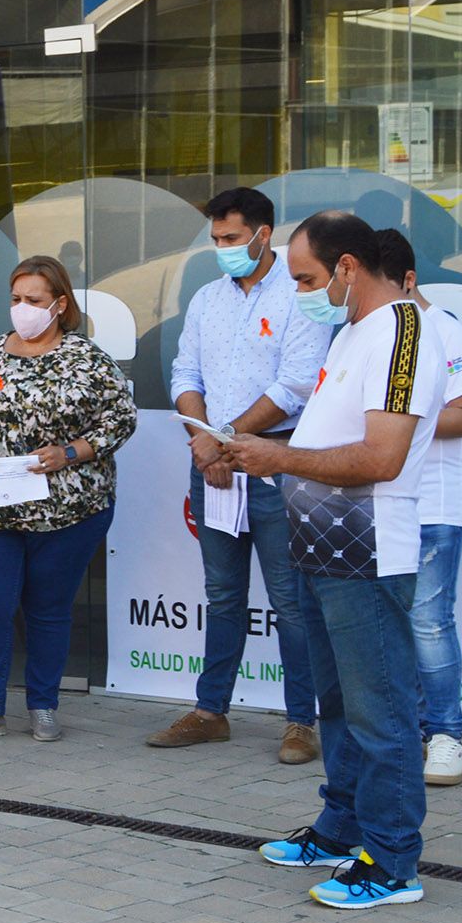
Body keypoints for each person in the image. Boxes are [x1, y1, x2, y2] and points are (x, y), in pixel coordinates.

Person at [229, 211, 445, 910]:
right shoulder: (353, 328)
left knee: (379, 711)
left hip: (369, 551)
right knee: (337, 705)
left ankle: (390, 862)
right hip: (320, 548)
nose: (300, 294)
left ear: (349, 267)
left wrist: (276, 454)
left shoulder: (405, 331)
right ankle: (340, 825)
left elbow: (381, 458)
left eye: (307, 279)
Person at [151, 187, 334, 763]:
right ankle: (211, 712)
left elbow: (296, 385)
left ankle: (302, 722)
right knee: (223, 594)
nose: (223, 248)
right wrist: (206, 442)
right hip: (211, 463)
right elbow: (185, 372)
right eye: (216, 240)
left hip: (277, 466)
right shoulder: (207, 299)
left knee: (291, 600)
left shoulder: (301, 296)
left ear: (263, 233)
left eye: (232, 238)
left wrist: (223, 442)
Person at [0, 256, 137, 744]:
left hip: (68, 510)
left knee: (49, 608)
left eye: (34, 300)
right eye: (16, 299)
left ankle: (43, 705)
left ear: (59, 305)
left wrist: (69, 452)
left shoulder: (86, 359)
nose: (22, 309)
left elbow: (120, 421)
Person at [377, 228, 462, 788]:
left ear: (409, 280)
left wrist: (395, 423)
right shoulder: (366, 337)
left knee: (428, 623)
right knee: (387, 627)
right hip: (376, 506)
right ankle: (405, 735)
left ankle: (445, 735)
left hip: (435, 505)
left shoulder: (446, 332)